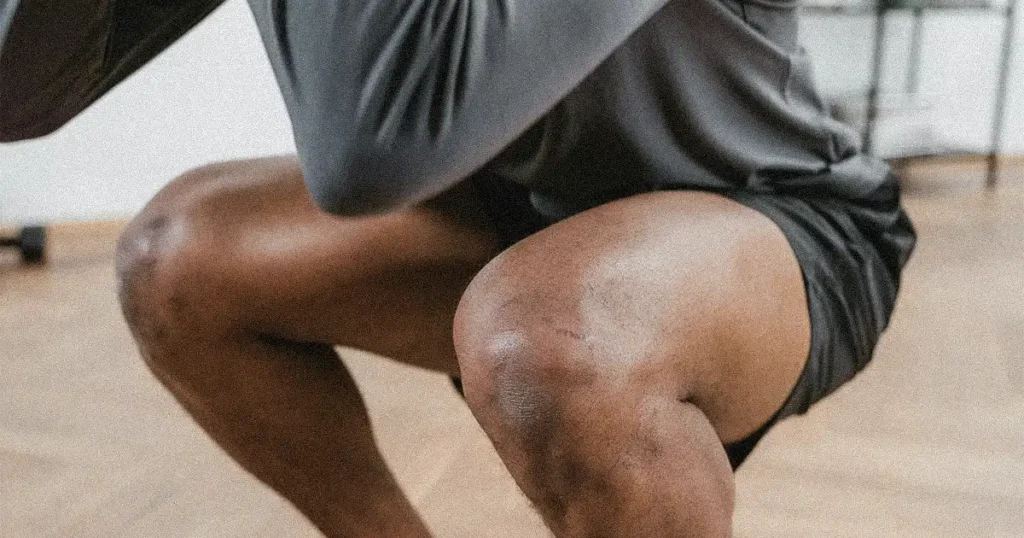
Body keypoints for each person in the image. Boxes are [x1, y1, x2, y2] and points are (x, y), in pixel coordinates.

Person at [1, 0, 916, 535]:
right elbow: (21, 92)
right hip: (518, 218)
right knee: (176, 261)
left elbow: (374, 150)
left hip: (783, 223)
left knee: (550, 336)